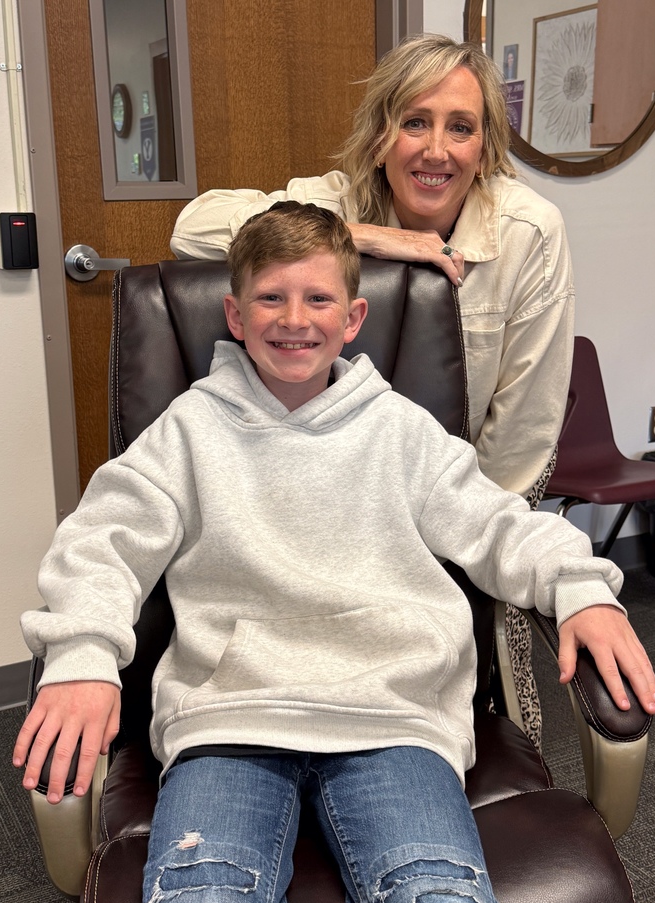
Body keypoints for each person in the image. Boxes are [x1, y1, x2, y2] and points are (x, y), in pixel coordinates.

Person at [14, 203, 655, 903]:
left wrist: (580, 590)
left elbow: (500, 527)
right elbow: (103, 542)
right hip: (232, 721)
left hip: (390, 715)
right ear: (235, 315)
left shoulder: (400, 432)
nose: (294, 320)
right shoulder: (188, 431)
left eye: (318, 300)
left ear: (354, 318)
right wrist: (80, 656)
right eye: (272, 300)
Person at [170, 34, 573, 750]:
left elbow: (524, 428)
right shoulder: (331, 202)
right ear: (382, 131)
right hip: (331, 504)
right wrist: (358, 238)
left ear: (486, 145)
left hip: (464, 492)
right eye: (415, 122)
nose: (436, 151)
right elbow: (189, 230)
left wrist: (455, 531)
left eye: (462, 127)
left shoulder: (527, 231)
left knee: (485, 698)